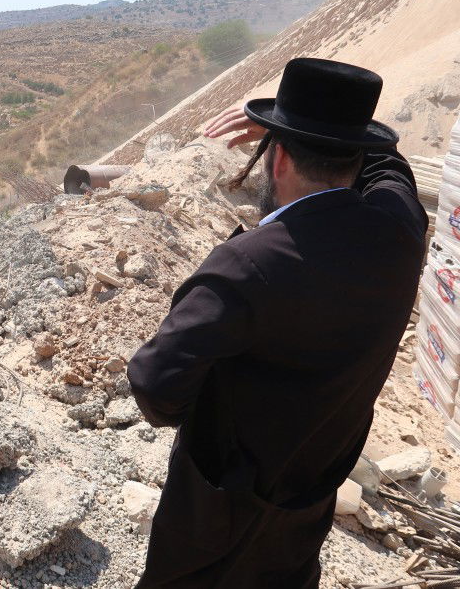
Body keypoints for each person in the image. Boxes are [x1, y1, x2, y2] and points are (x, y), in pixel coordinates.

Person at [127, 58, 428, 588]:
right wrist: (326, 125)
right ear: (358, 154)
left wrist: (207, 422)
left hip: (219, 504)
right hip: (308, 498)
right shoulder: (399, 230)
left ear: (278, 156)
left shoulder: (249, 263)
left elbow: (155, 383)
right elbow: (391, 171)